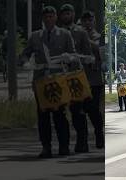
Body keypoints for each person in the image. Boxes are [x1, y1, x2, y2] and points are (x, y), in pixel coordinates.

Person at [21, 6, 75, 158]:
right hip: (41, 80)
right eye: (46, 17)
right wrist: (26, 63)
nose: (49, 19)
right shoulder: (35, 36)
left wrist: (69, 58)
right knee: (43, 116)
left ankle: (64, 146)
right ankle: (46, 147)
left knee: (60, 115)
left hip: (59, 79)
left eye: (51, 16)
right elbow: (25, 54)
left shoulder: (64, 34)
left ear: (56, 18)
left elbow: (73, 54)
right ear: (43, 19)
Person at [59, 4, 93, 153]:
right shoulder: (57, 33)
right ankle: (64, 145)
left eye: (69, 13)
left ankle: (82, 142)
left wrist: (77, 58)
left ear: (73, 14)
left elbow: (89, 56)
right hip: (59, 77)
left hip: (75, 77)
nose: (66, 16)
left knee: (77, 111)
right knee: (59, 112)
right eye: (64, 14)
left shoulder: (81, 33)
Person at [80, 10, 104, 149]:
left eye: (90, 20)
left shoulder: (100, 36)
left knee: (92, 108)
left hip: (94, 78)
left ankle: (98, 134)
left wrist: (86, 39)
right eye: (85, 20)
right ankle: (82, 140)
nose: (87, 23)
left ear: (94, 21)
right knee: (80, 109)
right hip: (78, 78)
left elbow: (101, 52)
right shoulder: (76, 36)